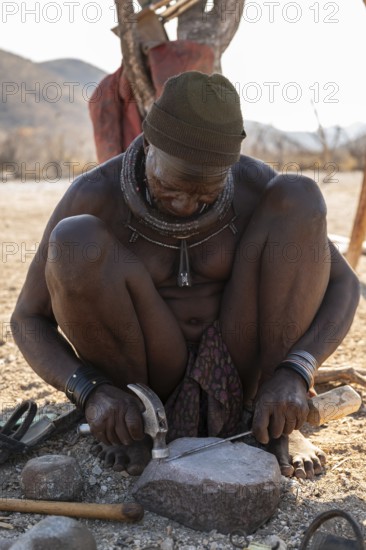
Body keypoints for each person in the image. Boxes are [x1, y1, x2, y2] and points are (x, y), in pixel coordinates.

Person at [11, 72, 360, 479]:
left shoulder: (255, 187)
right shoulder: (97, 192)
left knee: (300, 196)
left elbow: (344, 284)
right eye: (170, 185)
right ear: (147, 143)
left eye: (205, 193)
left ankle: (278, 419)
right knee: (74, 238)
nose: (184, 205)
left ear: (229, 170)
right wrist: (90, 391)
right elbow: (27, 319)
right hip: (146, 377)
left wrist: (296, 370)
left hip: (245, 363)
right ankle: (132, 425)